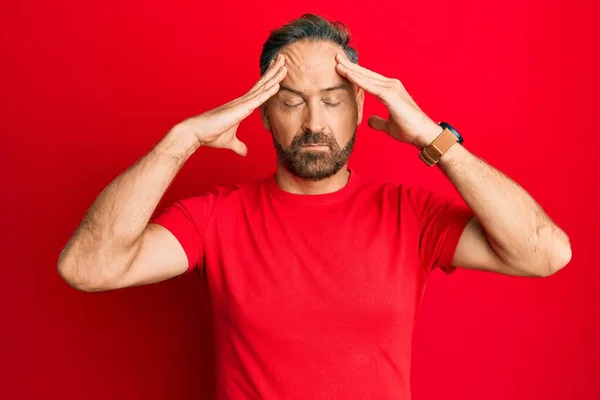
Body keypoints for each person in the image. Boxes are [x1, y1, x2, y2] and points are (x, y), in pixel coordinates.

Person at [57, 13, 572, 400]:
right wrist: (181, 140)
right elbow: (88, 267)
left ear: (361, 105)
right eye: (289, 101)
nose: (313, 123)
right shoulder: (215, 219)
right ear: (261, 114)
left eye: (332, 99)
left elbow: (544, 253)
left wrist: (434, 139)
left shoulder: (409, 215)